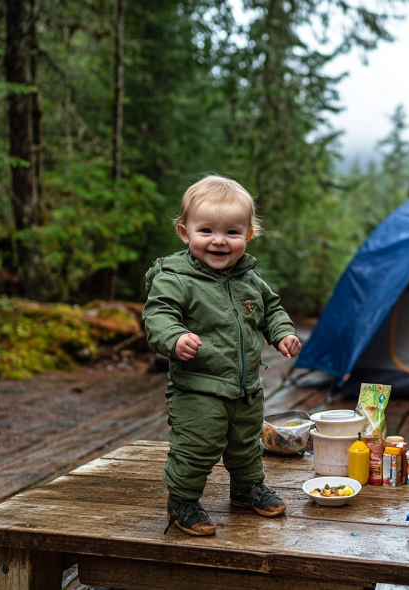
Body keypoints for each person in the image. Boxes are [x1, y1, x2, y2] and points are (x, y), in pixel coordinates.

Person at [142, 175, 302, 536]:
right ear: (185, 232)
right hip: (198, 387)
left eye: (231, 232)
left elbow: (271, 309)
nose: (218, 240)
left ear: (247, 235)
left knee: (246, 444)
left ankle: (246, 488)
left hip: (245, 387)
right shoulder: (176, 277)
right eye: (206, 231)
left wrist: (284, 333)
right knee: (196, 447)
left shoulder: (250, 278)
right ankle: (182, 500)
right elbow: (158, 315)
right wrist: (175, 336)